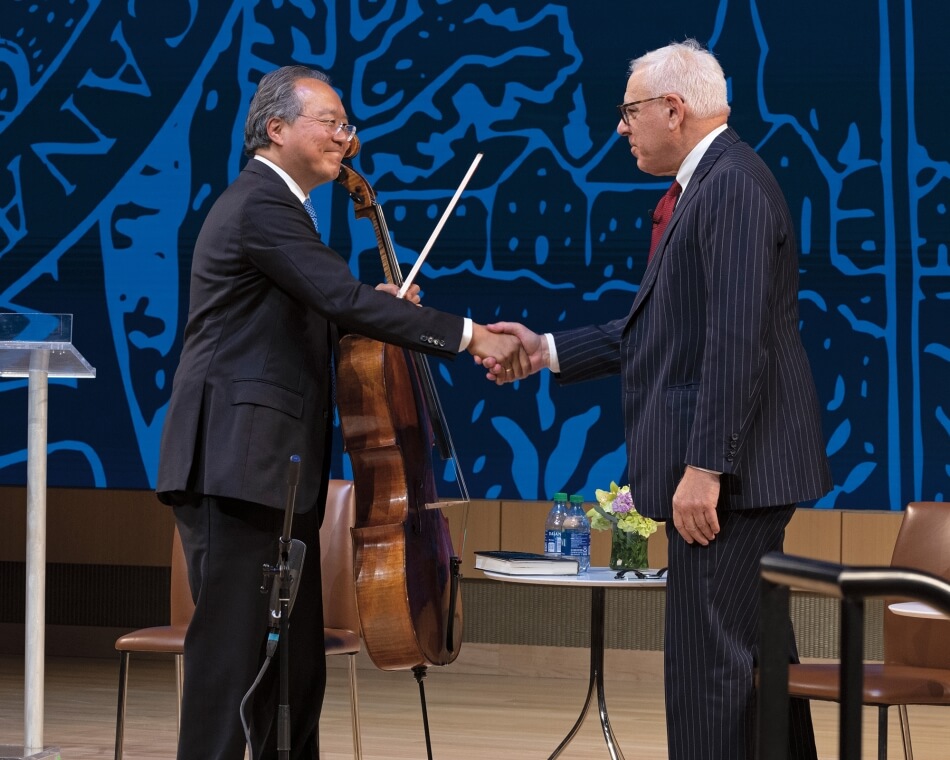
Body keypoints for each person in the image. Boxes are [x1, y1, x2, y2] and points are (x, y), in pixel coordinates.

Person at [155, 65, 525, 760]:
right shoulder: (261, 203)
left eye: (347, 125)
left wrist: (378, 310)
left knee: (293, 672)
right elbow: (341, 298)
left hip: (271, 469)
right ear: (276, 129)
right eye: (332, 123)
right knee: (232, 665)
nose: (346, 140)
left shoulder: (283, 211)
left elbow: (321, 313)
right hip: (237, 463)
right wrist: (473, 335)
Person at [483, 40, 831, 759]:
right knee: (754, 664)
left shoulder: (729, 185)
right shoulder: (709, 185)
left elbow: (736, 341)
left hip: (733, 477)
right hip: (743, 469)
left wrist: (705, 468)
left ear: (674, 109)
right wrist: (543, 349)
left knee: (711, 673)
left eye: (629, 111)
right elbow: (658, 334)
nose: (621, 127)